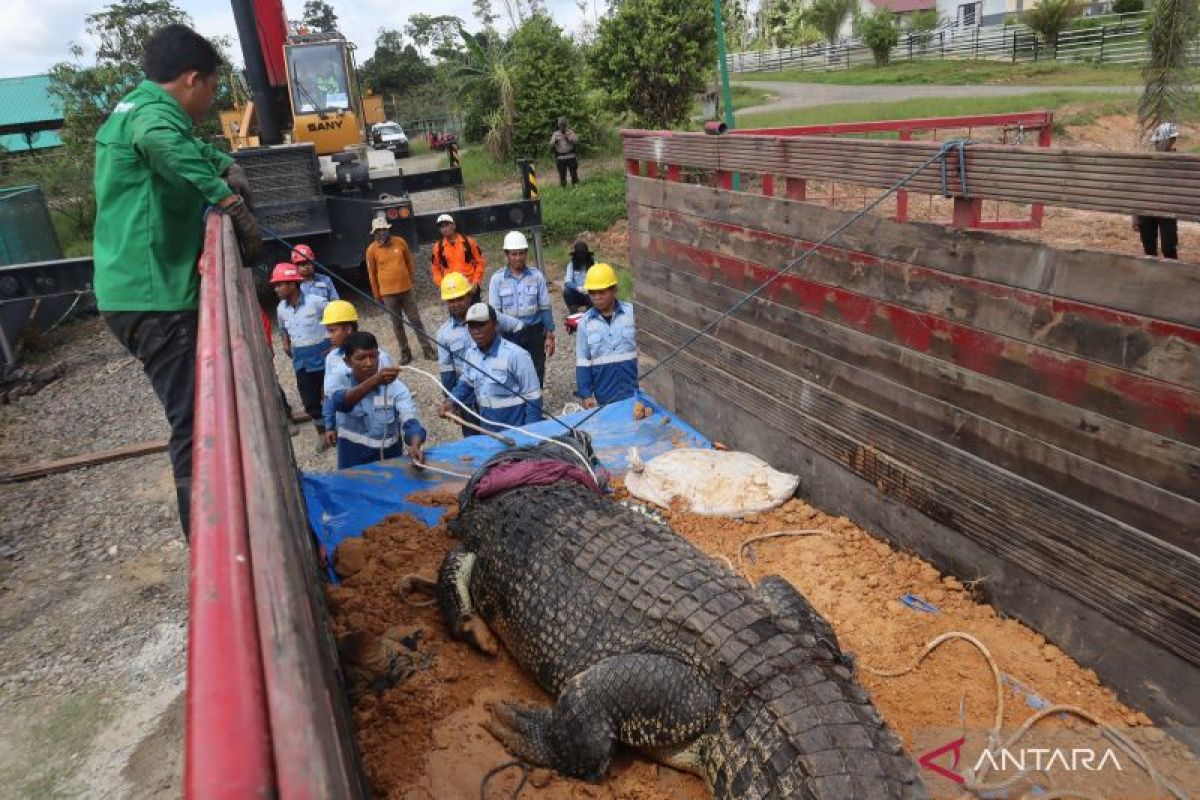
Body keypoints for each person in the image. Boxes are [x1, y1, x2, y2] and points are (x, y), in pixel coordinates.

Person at [93, 23, 261, 537]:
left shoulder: (139, 110)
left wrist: (224, 163)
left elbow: (188, 148)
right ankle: (210, 542)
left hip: (142, 289)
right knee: (196, 419)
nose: (211, 102)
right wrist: (228, 199)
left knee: (205, 408)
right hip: (155, 298)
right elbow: (163, 144)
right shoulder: (151, 119)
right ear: (192, 79)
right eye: (212, 89)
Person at [434, 273, 524, 437]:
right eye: (451, 300)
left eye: (460, 298)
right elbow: (447, 374)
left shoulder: (489, 316)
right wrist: (453, 402)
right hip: (468, 396)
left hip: (496, 389)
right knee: (474, 439)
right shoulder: (444, 334)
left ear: (470, 296)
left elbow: (517, 326)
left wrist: (510, 353)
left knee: (506, 434)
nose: (456, 304)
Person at [331, 331, 427, 469]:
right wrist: (374, 381)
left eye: (373, 356)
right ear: (348, 362)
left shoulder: (395, 387)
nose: (369, 363)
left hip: (390, 460)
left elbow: (411, 422)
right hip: (353, 463)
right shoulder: (340, 381)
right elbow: (340, 402)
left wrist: (415, 444)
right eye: (361, 358)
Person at [440, 303, 542, 433]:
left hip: (517, 432)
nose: (476, 331)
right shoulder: (471, 354)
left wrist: (531, 435)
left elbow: (533, 397)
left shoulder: (516, 355)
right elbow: (466, 383)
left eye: (481, 325)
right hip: (489, 432)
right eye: (472, 326)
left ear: (495, 324)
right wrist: (451, 401)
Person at [320, 299, 393, 448]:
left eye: (333, 330)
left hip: (379, 432)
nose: (329, 336)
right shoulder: (332, 359)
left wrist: (387, 424)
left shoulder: (381, 358)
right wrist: (329, 425)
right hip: (350, 432)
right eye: (328, 330)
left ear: (348, 329)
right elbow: (329, 395)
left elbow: (390, 393)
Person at [272, 262, 330, 448]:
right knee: (310, 401)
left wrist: (334, 345)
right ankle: (322, 434)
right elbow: (282, 328)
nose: (276, 289)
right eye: (276, 285)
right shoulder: (281, 309)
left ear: (293, 284)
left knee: (332, 394)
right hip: (301, 361)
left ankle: (336, 430)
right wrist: (285, 342)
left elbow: (338, 320)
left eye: (280, 284)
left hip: (322, 357)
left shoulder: (317, 302)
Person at [487, 230, 555, 385]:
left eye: (521, 253)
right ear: (507, 255)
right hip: (509, 334)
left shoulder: (537, 276)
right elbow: (494, 314)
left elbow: (545, 307)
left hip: (534, 332)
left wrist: (550, 335)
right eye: (513, 254)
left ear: (526, 253)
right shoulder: (497, 280)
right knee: (511, 371)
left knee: (537, 370)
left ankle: (535, 404)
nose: (518, 258)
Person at [365, 217, 436, 364]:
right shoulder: (371, 250)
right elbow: (372, 273)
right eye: (378, 231)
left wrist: (410, 281)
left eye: (384, 229)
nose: (381, 233)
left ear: (388, 229)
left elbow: (409, 262)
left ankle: (427, 349)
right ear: (374, 234)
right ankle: (405, 352)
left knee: (416, 320)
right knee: (397, 324)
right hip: (388, 294)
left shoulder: (400, 242)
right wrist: (377, 295)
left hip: (406, 290)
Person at [575, 264, 637, 408]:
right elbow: (583, 361)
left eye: (602, 292)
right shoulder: (585, 323)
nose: (597, 297)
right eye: (592, 293)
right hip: (605, 395)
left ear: (614, 290)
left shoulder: (632, 314)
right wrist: (586, 394)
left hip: (636, 391)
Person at [1134, 122, 1180, 260]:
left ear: (1172, 141)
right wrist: (1135, 215)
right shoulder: (1149, 162)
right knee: (1148, 249)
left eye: (1160, 141)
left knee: (1169, 248)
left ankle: (1171, 276)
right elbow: (1139, 188)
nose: (1157, 144)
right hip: (1147, 210)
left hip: (1167, 211)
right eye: (1156, 142)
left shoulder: (1180, 163)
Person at [430, 213, 485, 304]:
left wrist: (475, 282)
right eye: (441, 227)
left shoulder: (468, 242)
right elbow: (435, 268)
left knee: (476, 315)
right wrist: (442, 284)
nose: (444, 228)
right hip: (452, 289)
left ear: (454, 225)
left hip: (470, 287)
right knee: (456, 316)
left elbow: (480, 262)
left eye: (447, 225)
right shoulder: (438, 247)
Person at [562, 241, 595, 313]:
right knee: (566, 292)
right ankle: (573, 310)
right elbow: (568, 281)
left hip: (591, 293)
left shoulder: (595, 264)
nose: (581, 257)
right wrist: (577, 288)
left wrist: (590, 288)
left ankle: (591, 310)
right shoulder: (571, 265)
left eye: (583, 254)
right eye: (579, 254)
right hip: (576, 293)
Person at [550, 116, 580, 188]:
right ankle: (563, 189)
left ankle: (575, 187)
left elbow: (577, 141)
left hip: (571, 156)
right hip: (561, 158)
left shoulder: (570, 132)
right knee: (562, 175)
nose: (562, 126)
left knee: (574, 174)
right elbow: (550, 144)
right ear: (558, 125)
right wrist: (555, 141)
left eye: (563, 124)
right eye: (560, 125)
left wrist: (569, 140)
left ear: (566, 125)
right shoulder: (555, 134)